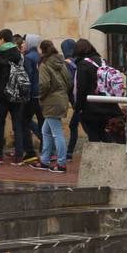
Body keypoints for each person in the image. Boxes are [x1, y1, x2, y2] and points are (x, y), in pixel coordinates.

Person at [0, 30, 31, 164]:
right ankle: (19, 155)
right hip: (17, 94)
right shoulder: (19, 54)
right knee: (17, 124)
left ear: (2, 39)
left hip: (3, 95)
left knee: (0, 124)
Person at [35, 40, 72, 172]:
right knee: (46, 131)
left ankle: (61, 163)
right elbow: (69, 80)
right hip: (62, 98)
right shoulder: (60, 62)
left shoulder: (44, 64)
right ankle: (44, 160)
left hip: (51, 101)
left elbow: (44, 84)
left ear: (42, 50)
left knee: (57, 133)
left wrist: (41, 96)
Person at [73, 39, 117, 142]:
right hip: (108, 105)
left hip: (91, 108)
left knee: (93, 136)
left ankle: (97, 157)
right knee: (104, 133)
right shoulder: (103, 61)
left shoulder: (83, 64)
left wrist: (78, 108)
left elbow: (81, 88)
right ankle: (109, 156)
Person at [23, 35, 46, 162]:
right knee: (43, 123)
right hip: (42, 94)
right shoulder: (41, 57)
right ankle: (46, 150)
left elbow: (29, 77)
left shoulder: (28, 57)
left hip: (32, 95)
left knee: (24, 122)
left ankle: (30, 151)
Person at [60, 38, 82, 160]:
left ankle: (69, 153)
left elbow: (67, 82)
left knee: (74, 125)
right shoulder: (80, 61)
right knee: (77, 124)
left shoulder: (66, 64)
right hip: (81, 98)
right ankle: (69, 153)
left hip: (75, 99)